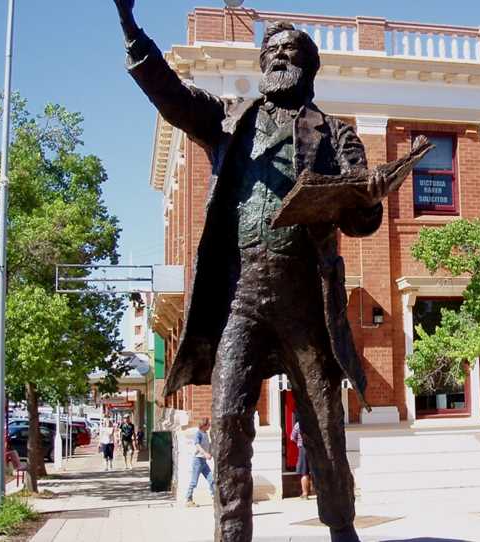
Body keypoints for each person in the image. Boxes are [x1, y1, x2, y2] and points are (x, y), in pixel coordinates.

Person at [113, 2, 397, 541]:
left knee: (325, 429)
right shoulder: (229, 120)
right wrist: (132, 30)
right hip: (241, 301)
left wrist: (370, 195)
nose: (279, 58)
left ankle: (342, 529)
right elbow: (172, 97)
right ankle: (231, 535)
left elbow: (361, 220)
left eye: (291, 52)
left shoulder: (337, 134)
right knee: (225, 419)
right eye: (272, 52)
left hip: (306, 306)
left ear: (308, 68)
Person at [186, 418, 214, 507]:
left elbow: (208, 445)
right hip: (198, 461)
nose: (209, 426)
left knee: (211, 479)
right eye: (208, 424)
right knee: (194, 482)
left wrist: (210, 453)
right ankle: (188, 500)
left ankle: (215, 498)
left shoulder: (206, 434)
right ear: (204, 425)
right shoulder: (198, 433)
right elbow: (197, 445)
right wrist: (205, 453)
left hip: (204, 462)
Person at [290, 417, 311, 499]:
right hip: (313, 449)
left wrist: (298, 442)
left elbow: (292, 437)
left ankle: (305, 493)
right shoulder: (312, 424)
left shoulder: (298, 425)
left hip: (303, 449)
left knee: (304, 472)